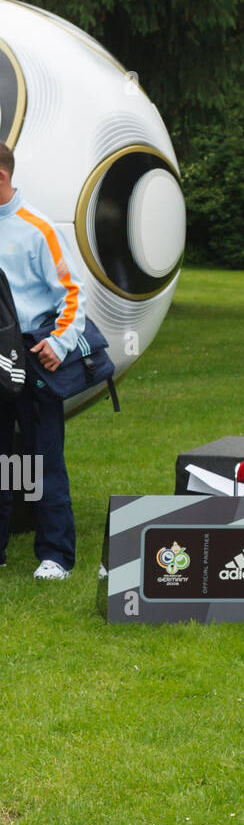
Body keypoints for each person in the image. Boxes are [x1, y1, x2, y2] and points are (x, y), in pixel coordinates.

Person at [0, 140, 86, 579]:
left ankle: (55, 555)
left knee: (42, 458)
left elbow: (73, 294)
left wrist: (60, 342)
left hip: (34, 357)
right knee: (4, 461)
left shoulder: (38, 229)